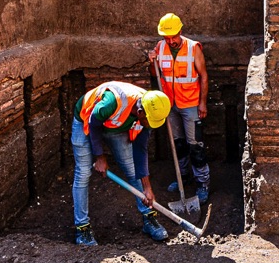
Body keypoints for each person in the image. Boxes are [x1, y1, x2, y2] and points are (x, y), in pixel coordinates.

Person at [71, 80, 172, 246]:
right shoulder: (112, 102)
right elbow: (94, 124)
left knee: (131, 169)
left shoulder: (149, 112)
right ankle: (82, 229)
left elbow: (140, 150)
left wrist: (147, 188)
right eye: (149, 122)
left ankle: (149, 218)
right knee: (83, 173)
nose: (150, 125)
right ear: (140, 112)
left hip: (115, 125)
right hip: (86, 120)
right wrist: (100, 157)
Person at [148, 13, 210, 203]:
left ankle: (202, 183)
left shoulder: (193, 48)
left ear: (180, 32)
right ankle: (182, 178)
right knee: (178, 145)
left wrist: (202, 103)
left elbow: (204, 77)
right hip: (170, 105)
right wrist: (152, 63)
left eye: (174, 36)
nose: (171, 40)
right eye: (167, 37)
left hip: (191, 104)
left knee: (195, 145)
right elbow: (155, 74)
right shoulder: (161, 47)